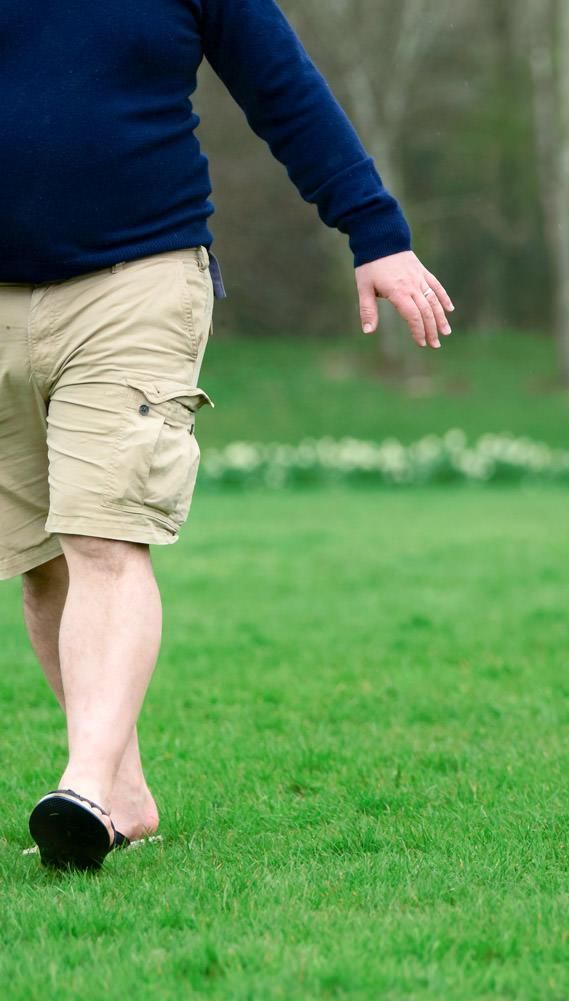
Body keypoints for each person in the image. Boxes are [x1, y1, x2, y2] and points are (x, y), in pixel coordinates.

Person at [0, 1, 454, 870]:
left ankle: (85, 785)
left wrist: (375, 231)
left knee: (102, 532)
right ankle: (121, 793)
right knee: (40, 560)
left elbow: (283, 88)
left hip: (136, 277)